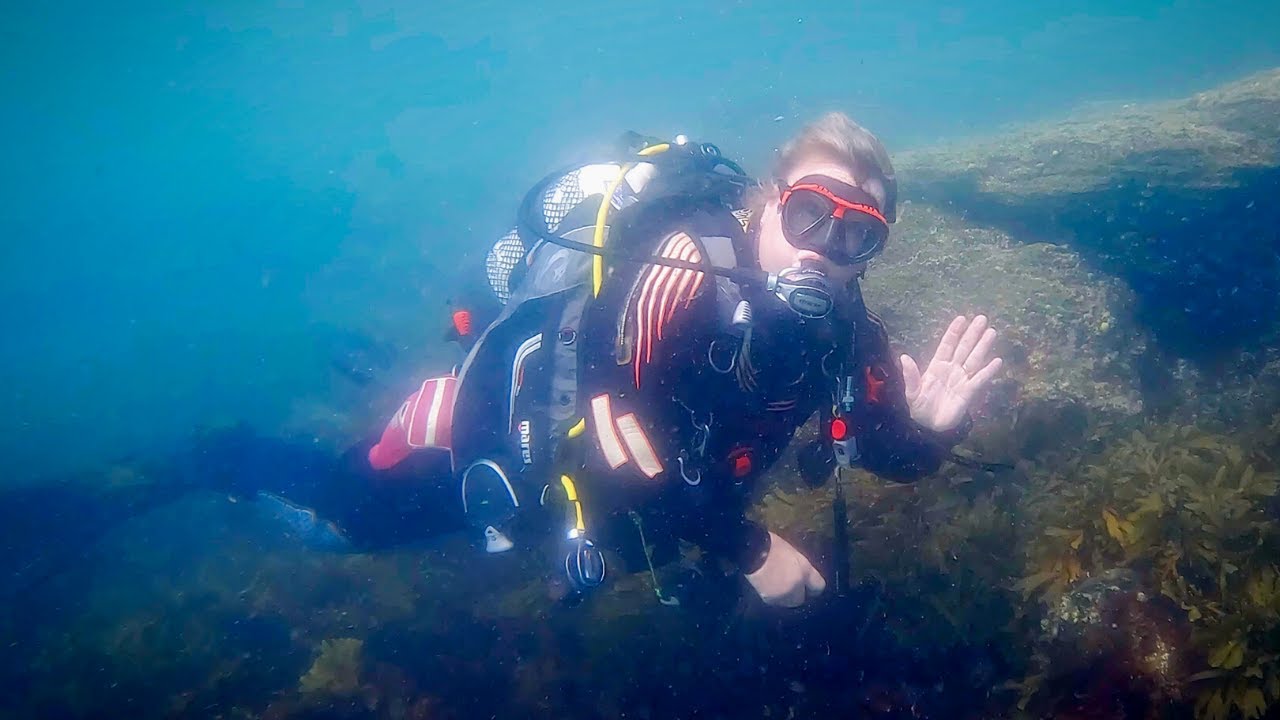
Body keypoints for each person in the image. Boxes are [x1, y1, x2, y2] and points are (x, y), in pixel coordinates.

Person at [359, 115, 1002, 606]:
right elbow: (613, 445)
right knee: (348, 518)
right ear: (771, 201)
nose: (823, 249)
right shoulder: (687, 268)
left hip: (662, 519)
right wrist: (750, 549)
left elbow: (886, 453)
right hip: (524, 463)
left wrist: (934, 431)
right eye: (809, 214)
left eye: (857, 234)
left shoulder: (847, 329)